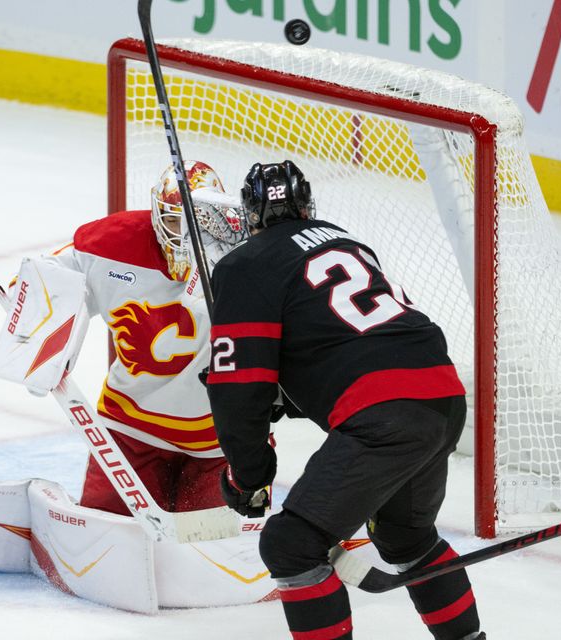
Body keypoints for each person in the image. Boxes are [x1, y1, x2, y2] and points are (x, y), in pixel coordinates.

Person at [205, 160, 485, 639]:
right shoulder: (345, 241)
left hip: (383, 415)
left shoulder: (243, 265)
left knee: (290, 545)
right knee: (406, 537)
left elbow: (239, 389)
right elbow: (347, 345)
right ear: (308, 206)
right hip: (442, 396)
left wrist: (250, 477)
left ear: (250, 216)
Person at [46, 160, 245, 515]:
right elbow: (47, 275)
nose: (180, 236)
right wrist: (39, 325)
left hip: (223, 441)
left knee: (216, 547)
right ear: (156, 213)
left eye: (193, 224)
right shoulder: (111, 244)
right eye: (172, 221)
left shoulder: (245, 257)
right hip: (130, 429)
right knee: (109, 535)